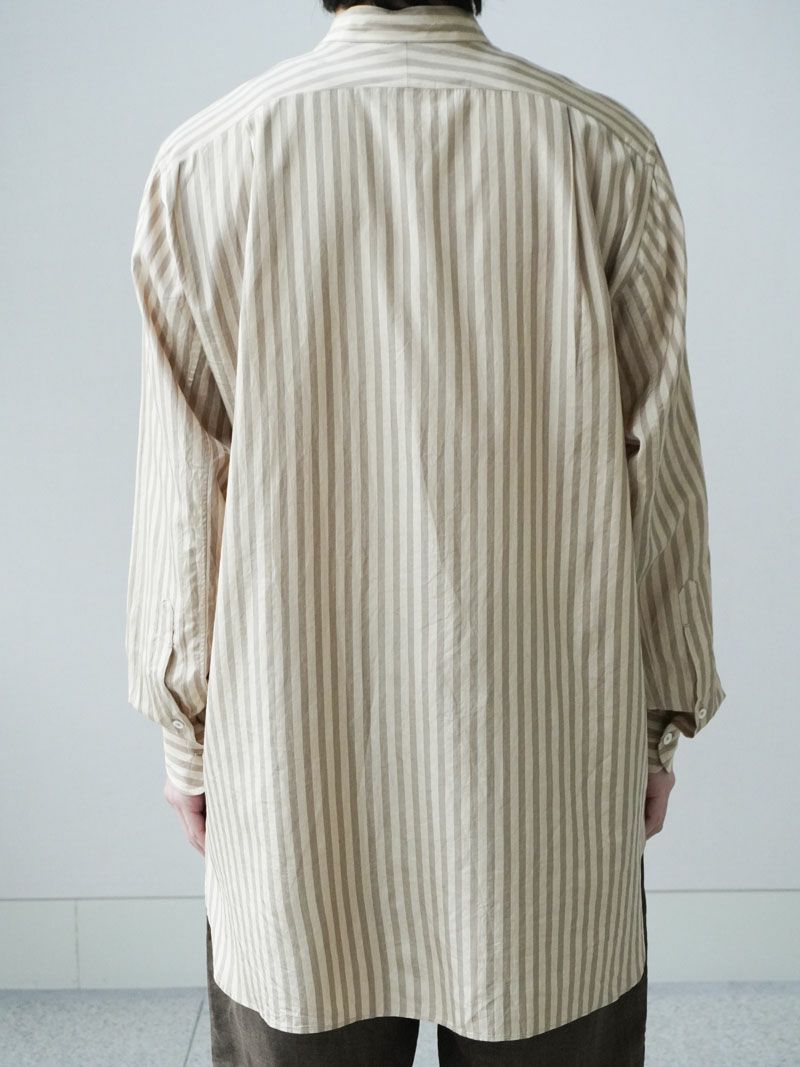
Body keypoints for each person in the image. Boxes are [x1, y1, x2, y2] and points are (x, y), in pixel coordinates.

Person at [125, 1, 726, 1063]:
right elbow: (662, 474)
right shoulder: (604, 152)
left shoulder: (206, 161)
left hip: (296, 767)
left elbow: (183, 496)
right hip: (542, 764)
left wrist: (188, 736)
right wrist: (655, 724)